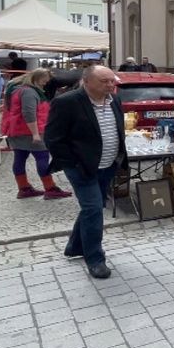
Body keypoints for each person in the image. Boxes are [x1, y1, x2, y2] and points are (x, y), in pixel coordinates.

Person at [44, 65, 126, 279]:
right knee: (93, 209)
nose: (110, 85)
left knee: (94, 206)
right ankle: (95, 259)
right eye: (104, 81)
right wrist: (72, 163)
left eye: (112, 80)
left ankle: (74, 247)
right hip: (82, 168)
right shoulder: (66, 102)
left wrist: (118, 157)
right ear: (86, 81)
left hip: (108, 165)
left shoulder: (115, 100)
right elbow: (53, 138)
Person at [1, 69, 72, 200]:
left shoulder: (16, 89)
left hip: (16, 130)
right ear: (37, 78)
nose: (46, 83)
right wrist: (35, 134)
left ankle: (24, 188)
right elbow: (29, 113)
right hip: (30, 131)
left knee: (20, 157)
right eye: (44, 81)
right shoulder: (29, 92)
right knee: (42, 158)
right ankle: (50, 188)